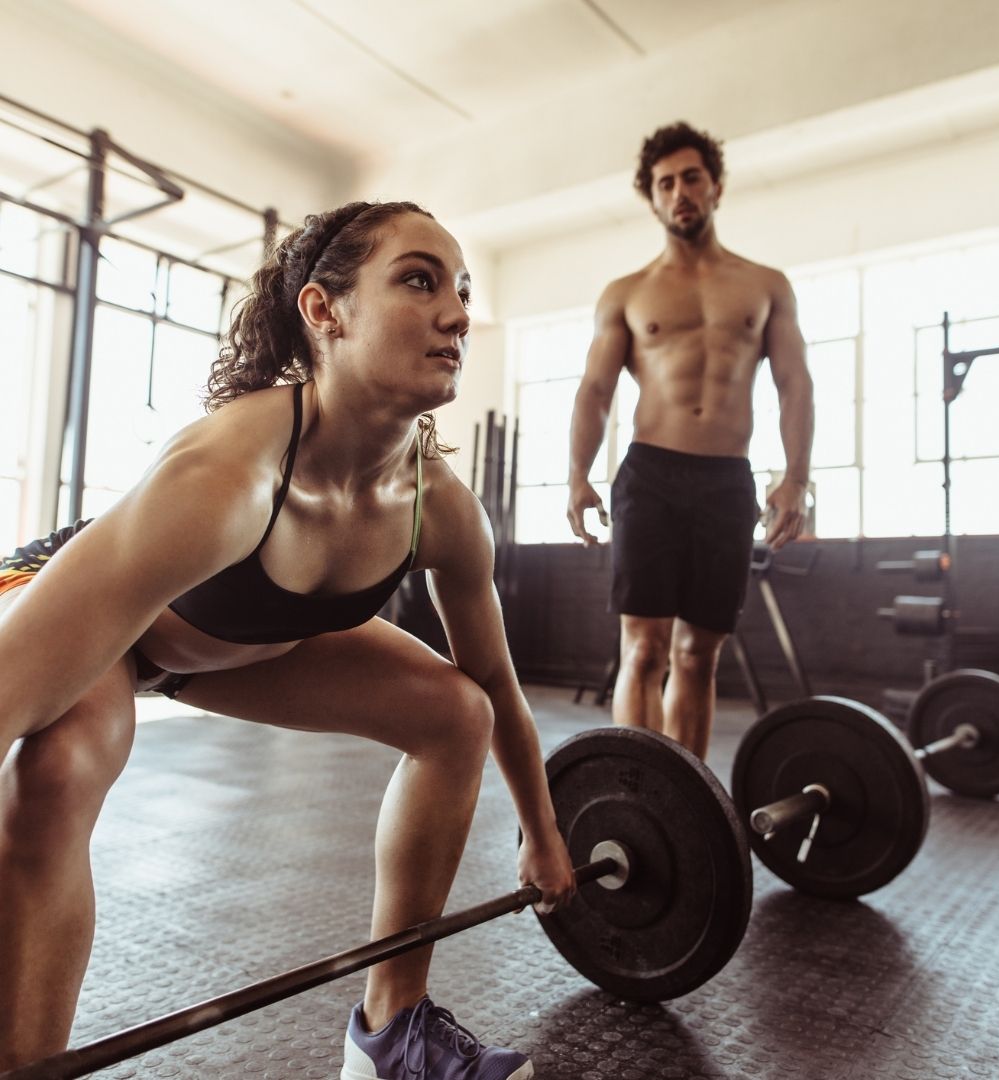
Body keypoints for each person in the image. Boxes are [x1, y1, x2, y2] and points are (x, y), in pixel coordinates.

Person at [0, 200, 573, 1080]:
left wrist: (543, 831)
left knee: (454, 713)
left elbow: (494, 684)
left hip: (233, 649)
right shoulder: (226, 476)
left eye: (461, 290)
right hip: (84, 613)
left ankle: (393, 1035)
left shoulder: (440, 508)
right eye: (419, 280)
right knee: (61, 765)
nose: (457, 312)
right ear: (323, 310)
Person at [566, 121, 814, 760]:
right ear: (652, 198)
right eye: (665, 182)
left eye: (692, 178)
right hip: (649, 477)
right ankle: (640, 789)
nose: (680, 192)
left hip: (726, 480)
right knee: (643, 649)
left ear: (716, 187)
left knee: (698, 656)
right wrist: (577, 474)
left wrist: (796, 476)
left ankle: (688, 805)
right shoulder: (626, 293)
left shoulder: (765, 286)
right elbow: (595, 391)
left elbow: (794, 383)